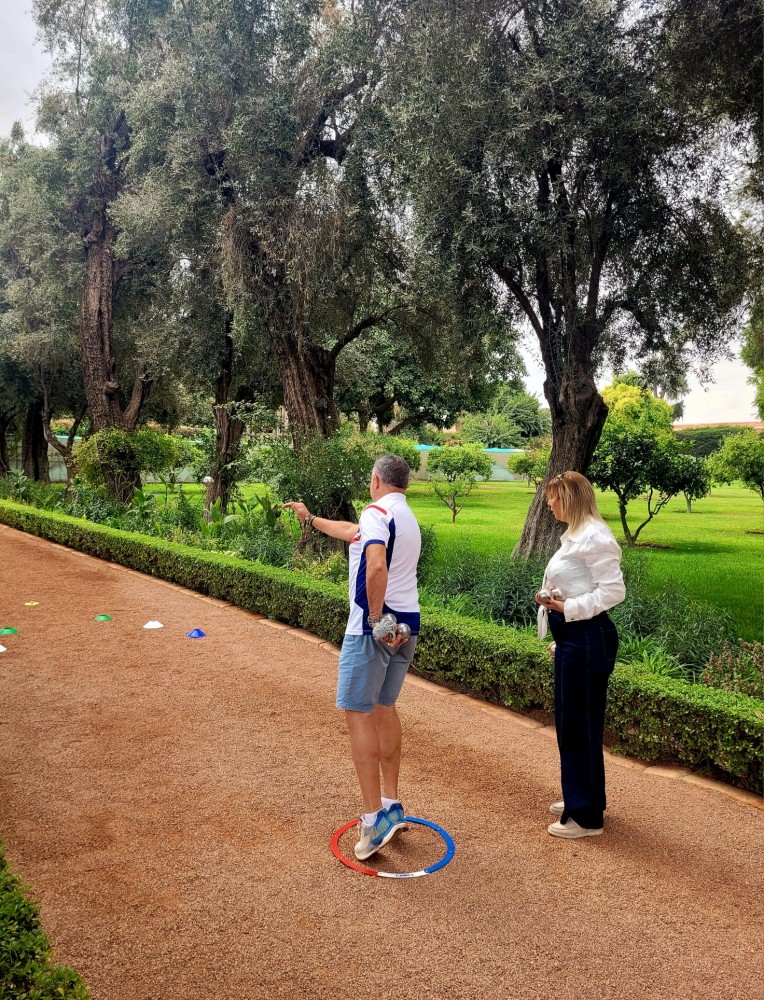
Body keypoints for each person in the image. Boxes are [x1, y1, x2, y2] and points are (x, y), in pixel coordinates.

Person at [284, 453, 421, 860]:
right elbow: (353, 533)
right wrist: (310, 519)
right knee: (384, 708)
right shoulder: (403, 514)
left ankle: (372, 816)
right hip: (408, 622)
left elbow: (375, 566)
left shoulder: (376, 511)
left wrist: (377, 620)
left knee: (358, 713)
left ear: (376, 479)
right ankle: (392, 804)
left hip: (374, 628)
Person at [535, 471, 625, 840]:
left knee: (577, 725)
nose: (550, 504)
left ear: (570, 498)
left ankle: (586, 817)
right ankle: (585, 798)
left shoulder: (595, 537)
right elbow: (581, 583)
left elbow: (613, 591)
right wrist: (557, 608)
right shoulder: (576, 533)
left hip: (587, 638)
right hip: (575, 637)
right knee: (574, 723)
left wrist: (568, 607)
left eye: (554, 499)